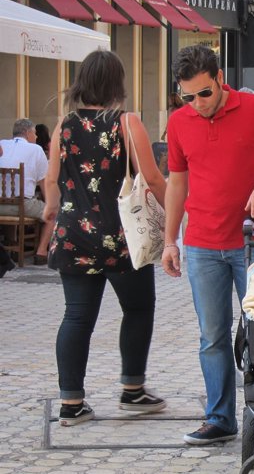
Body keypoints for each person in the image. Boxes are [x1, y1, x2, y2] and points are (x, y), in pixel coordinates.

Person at [161, 45, 254, 445]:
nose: (198, 104)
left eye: (204, 93)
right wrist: (170, 240)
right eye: (187, 97)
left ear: (219, 78)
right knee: (212, 335)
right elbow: (177, 182)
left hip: (252, 240)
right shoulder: (179, 123)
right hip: (203, 245)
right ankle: (219, 418)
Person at [42, 50, 168, 427]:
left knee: (77, 316)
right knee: (139, 308)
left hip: (73, 235)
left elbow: (51, 179)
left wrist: (52, 208)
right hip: (121, 237)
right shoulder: (127, 123)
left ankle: (71, 404)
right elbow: (154, 178)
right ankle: (132, 390)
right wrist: (177, 218)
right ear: (117, 83)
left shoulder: (63, 124)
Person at [0, 118, 54, 264]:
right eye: (35, 133)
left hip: (0, 205)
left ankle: (14, 248)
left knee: (13, 206)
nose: (36, 137)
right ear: (27, 133)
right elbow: (44, 183)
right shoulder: (36, 149)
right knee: (53, 214)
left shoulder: (2, 144)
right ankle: (41, 252)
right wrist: (50, 204)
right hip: (23, 205)